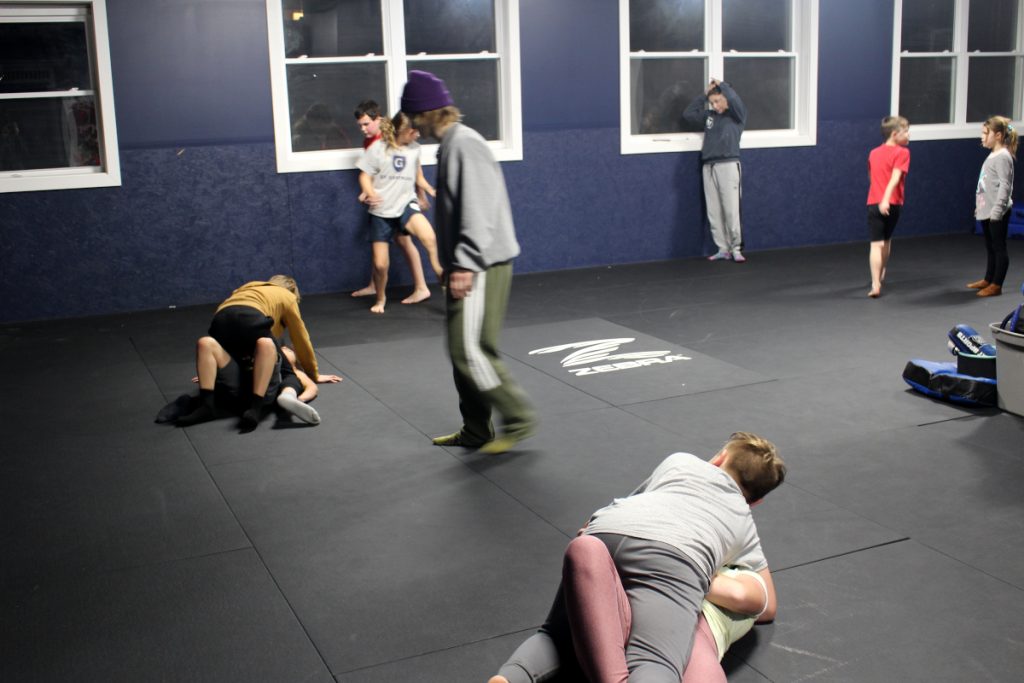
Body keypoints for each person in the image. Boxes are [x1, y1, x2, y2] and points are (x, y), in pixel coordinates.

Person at [489, 432, 786, 681]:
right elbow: (767, 605)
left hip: (605, 531)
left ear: (720, 457)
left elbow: (630, 506)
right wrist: (708, 582)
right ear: (756, 501)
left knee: (556, 634)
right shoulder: (743, 518)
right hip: (675, 557)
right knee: (655, 661)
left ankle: (507, 678)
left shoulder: (680, 461)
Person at [400, 70, 536, 455]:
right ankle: (476, 429)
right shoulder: (450, 145)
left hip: (481, 265)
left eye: (412, 117)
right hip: (470, 263)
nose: (411, 126)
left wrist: (463, 265)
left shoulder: (464, 144)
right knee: (465, 350)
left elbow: (478, 210)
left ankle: (520, 417)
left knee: (469, 350)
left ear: (427, 112)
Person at [175, 275, 339, 431]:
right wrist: (313, 373)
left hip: (220, 319)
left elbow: (235, 321)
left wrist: (211, 372)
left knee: (205, 343)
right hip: (251, 320)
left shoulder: (249, 287)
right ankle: (256, 407)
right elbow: (300, 337)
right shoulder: (287, 297)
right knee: (266, 343)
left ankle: (207, 406)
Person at [356, 111, 443, 313]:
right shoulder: (378, 148)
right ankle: (380, 298)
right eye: (416, 132)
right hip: (382, 210)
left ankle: (444, 281)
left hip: (405, 204)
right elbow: (364, 176)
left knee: (429, 238)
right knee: (380, 265)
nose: (419, 135)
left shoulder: (415, 149)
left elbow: (418, 176)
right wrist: (369, 192)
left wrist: (429, 190)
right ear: (405, 131)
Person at [683, 79, 748, 263]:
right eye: (712, 102)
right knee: (714, 210)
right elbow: (688, 114)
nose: (715, 105)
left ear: (726, 98)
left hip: (728, 165)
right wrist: (705, 95)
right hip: (708, 166)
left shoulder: (737, 116)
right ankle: (722, 248)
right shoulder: (709, 116)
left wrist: (723, 85)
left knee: (730, 209)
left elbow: (735, 100)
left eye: (718, 101)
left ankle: (736, 248)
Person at [968, 115, 1018, 298]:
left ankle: (997, 284)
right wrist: (980, 207)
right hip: (987, 210)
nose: (982, 137)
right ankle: (988, 279)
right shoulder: (993, 154)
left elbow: (1006, 185)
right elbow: (986, 184)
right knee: (990, 246)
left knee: (999, 247)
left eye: (985, 133)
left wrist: (997, 209)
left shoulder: (1003, 157)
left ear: (998, 135)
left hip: (997, 212)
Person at [865, 116, 911, 298]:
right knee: (885, 241)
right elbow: (895, 177)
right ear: (894, 134)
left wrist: (878, 195)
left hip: (874, 202)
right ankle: (879, 277)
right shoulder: (902, 153)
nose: (908, 135)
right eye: (906, 132)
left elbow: (871, 176)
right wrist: (885, 199)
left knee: (877, 243)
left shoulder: (873, 153)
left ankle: (876, 281)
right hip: (891, 202)